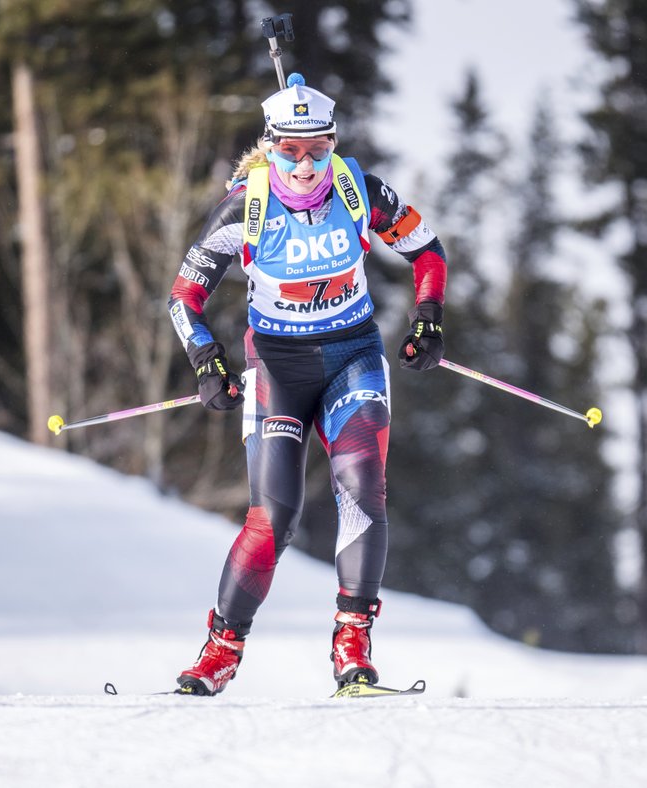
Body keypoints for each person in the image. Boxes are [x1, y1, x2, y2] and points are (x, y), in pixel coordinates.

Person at [165, 73, 447, 695]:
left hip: (353, 356)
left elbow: (428, 252)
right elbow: (184, 297)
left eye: (317, 148)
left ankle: (353, 646)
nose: (303, 163)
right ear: (269, 148)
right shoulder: (245, 207)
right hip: (277, 367)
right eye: (289, 150)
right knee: (274, 517)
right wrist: (206, 358)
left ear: (333, 142)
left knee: (362, 488)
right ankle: (220, 651)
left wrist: (428, 321)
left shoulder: (359, 191)